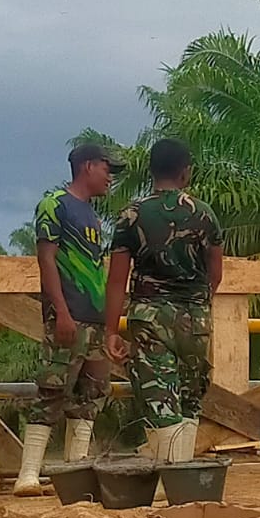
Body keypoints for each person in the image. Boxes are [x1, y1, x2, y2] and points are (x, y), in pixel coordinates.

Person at [104, 138, 225, 463]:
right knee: (189, 396)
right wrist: (198, 304)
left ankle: (171, 475)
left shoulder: (131, 215)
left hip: (149, 318)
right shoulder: (205, 215)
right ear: (185, 172)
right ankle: (179, 476)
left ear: (151, 171)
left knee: (159, 397)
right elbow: (216, 273)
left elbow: (116, 280)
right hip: (195, 319)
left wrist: (111, 330)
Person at [14, 143, 121, 497]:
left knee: (90, 395)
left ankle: (76, 473)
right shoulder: (54, 205)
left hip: (94, 317)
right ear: (87, 166)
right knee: (53, 390)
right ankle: (28, 474)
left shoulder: (93, 215)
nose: (111, 177)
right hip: (68, 314)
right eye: (107, 168)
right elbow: (46, 260)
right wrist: (60, 310)